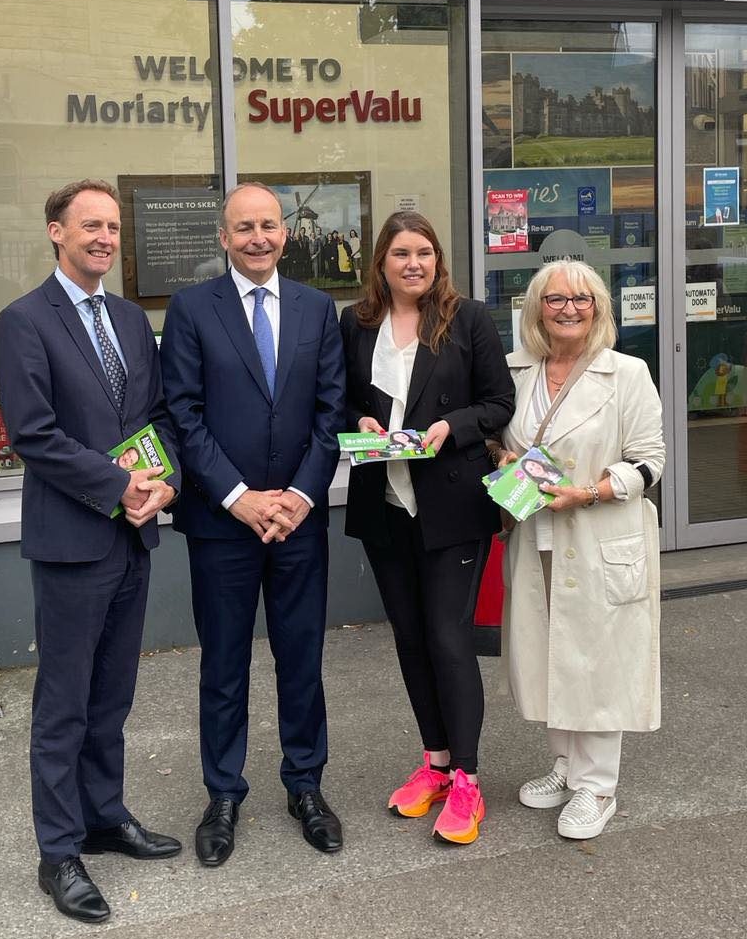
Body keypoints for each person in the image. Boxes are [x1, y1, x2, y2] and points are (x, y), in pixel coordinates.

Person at [0, 179, 182, 924]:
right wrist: (118, 484)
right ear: (55, 232)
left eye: (112, 227)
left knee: (113, 696)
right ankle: (59, 851)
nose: (105, 237)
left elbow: (158, 414)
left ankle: (104, 816)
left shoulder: (132, 320)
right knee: (64, 703)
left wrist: (161, 482)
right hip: (74, 539)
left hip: (133, 532)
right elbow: (32, 433)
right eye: (90, 225)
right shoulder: (24, 322)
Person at [160, 182, 346, 866]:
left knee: (302, 659)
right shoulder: (190, 309)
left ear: (285, 234)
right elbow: (182, 412)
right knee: (225, 664)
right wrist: (237, 495)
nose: (259, 237)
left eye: (269, 225)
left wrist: (298, 495)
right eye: (245, 228)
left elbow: (331, 411)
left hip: (299, 521)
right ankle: (224, 794)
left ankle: (305, 786)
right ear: (224, 236)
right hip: (221, 523)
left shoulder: (317, 307)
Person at [341, 210, 514, 845]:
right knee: (411, 639)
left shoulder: (467, 319)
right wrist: (358, 420)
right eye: (400, 254)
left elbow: (499, 402)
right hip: (386, 502)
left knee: (448, 638)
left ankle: (468, 778)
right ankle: (435, 763)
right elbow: (337, 396)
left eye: (424, 253)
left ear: (438, 260)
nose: (414, 263)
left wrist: (450, 428)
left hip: (450, 505)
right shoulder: (357, 324)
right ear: (380, 263)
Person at [492, 259, 664, 841]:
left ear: (599, 308)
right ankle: (566, 766)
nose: (569, 308)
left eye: (582, 299)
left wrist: (589, 491)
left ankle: (597, 787)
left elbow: (650, 461)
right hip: (534, 531)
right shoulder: (517, 371)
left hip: (598, 533)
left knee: (598, 657)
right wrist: (503, 463)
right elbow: (503, 439)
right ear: (536, 308)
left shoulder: (628, 373)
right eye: (555, 299)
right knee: (552, 651)